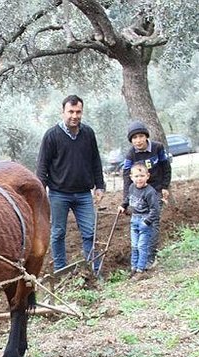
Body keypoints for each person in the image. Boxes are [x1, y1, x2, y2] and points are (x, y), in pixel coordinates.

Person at [36, 94, 105, 273]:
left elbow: (95, 160)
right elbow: (42, 166)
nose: (74, 116)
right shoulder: (52, 136)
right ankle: (60, 271)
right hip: (59, 194)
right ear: (63, 112)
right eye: (71, 112)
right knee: (58, 233)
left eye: (78, 112)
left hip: (84, 194)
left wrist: (100, 186)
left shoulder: (88, 133)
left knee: (90, 233)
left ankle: (93, 270)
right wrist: (40, 194)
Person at [120, 120, 171, 269]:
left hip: (155, 190)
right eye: (134, 138)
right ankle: (140, 257)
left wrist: (165, 186)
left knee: (153, 222)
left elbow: (166, 167)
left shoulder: (157, 148)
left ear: (146, 137)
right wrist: (126, 201)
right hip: (139, 194)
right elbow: (126, 177)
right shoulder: (130, 154)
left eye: (141, 136)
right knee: (140, 224)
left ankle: (151, 256)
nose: (138, 141)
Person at [118, 162, 161, 279]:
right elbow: (128, 198)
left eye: (142, 176)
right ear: (131, 177)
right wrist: (123, 205)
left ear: (147, 176)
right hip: (134, 219)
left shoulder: (150, 192)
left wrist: (146, 222)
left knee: (142, 246)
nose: (139, 179)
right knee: (134, 245)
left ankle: (141, 270)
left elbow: (155, 210)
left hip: (145, 220)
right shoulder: (132, 187)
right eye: (136, 176)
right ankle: (134, 267)